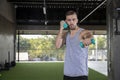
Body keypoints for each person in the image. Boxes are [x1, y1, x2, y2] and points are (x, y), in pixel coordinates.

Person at [55, 10, 93, 80]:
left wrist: (88, 40)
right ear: (66, 21)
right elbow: (57, 45)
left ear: (77, 20)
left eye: (73, 19)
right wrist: (61, 28)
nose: (71, 22)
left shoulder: (83, 32)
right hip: (67, 74)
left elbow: (90, 39)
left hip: (81, 74)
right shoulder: (66, 34)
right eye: (69, 20)